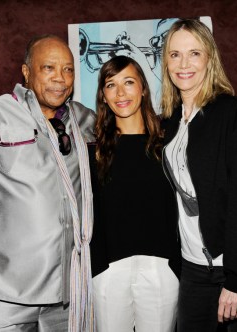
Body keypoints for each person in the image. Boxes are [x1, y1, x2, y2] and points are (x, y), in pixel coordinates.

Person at [0, 35, 96, 332]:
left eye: (68, 69)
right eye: (48, 68)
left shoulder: (85, 121)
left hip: (67, 295)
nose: (60, 79)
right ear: (26, 72)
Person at [160, 19, 237, 332]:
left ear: (210, 58)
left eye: (194, 54)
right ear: (165, 61)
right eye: (174, 54)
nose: (184, 64)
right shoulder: (169, 121)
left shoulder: (232, 114)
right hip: (193, 267)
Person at [89, 55, 181, 332]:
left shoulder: (169, 142)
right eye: (110, 85)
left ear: (143, 87)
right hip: (109, 268)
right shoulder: (93, 150)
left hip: (161, 266)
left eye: (128, 82)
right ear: (103, 96)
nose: (120, 93)